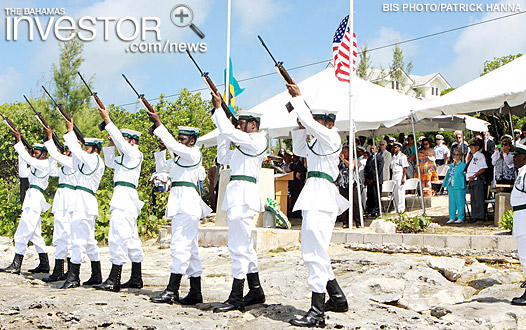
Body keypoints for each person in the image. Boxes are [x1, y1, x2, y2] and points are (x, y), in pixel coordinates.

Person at [287, 82, 349, 327]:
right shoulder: (317, 142)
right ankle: (337, 297)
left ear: (329, 123)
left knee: (314, 252)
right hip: (314, 193)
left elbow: (313, 125)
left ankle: (317, 312)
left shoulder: (331, 137)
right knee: (315, 249)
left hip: (322, 195)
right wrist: (300, 123)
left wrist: (299, 100)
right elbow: (298, 147)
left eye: (319, 121)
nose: (316, 124)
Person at [211, 91, 267, 313]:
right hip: (236, 194)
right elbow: (223, 157)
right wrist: (225, 131)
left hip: (244, 196)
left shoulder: (258, 140)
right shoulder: (243, 145)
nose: (238, 126)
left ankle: (236, 296)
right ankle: (255, 290)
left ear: (253, 125)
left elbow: (229, 131)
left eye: (242, 123)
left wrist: (219, 110)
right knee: (245, 246)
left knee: (238, 246)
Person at [148, 109, 212, 305]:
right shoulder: (180, 158)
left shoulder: (193, 154)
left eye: (183, 139)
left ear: (192, 141)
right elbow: (163, 168)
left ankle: (172, 290)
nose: (180, 142)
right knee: (190, 249)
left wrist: (159, 124)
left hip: (187, 204)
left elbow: (175, 146)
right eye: (179, 139)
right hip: (181, 203)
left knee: (179, 245)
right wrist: (162, 147)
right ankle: (195, 291)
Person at [94, 108, 145, 293]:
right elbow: (109, 162)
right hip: (124, 197)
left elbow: (123, 146)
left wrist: (107, 120)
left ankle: (113, 279)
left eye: (124, 139)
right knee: (131, 238)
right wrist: (110, 143)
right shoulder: (125, 156)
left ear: (132, 141)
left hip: (125, 197)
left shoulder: (133, 153)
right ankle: (136, 278)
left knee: (117, 236)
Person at [61, 120, 105, 289]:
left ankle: (73, 277)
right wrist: (75, 142)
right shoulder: (89, 160)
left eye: (87, 147)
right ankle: (96, 274)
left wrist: (71, 133)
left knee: (78, 240)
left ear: (95, 149)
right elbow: (76, 160)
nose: (85, 150)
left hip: (84, 203)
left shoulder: (94, 159)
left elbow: (78, 155)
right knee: (89, 240)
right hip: (83, 202)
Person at [0, 136, 53, 275]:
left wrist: (18, 142)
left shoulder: (45, 164)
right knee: (35, 235)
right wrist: (21, 153)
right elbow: (23, 172)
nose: (33, 155)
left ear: (43, 154)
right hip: (31, 198)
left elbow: (30, 161)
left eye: (36, 153)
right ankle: (44, 264)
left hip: (35, 199)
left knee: (21, 233)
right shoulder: (35, 167)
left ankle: (16, 265)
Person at [42, 128, 76, 282]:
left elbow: (56, 156)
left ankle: (67, 270)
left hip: (68, 201)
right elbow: (51, 170)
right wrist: (54, 151)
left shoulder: (74, 162)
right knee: (60, 235)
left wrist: (49, 139)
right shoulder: (65, 166)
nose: (66, 152)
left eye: (68, 150)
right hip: (61, 200)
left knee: (66, 235)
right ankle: (60, 270)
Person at [510, 143, 526, 305]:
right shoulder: (522, 172)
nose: (513, 158)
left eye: (517, 156)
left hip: (525, 217)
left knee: (525, 256)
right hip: (520, 216)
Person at [466, 139, 487, 223]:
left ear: (477, 147)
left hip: (477, 179)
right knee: (473, 199)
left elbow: (483, 168)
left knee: (478, 198)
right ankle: (474, 215)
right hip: (471, 180)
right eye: (470, 147)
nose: (470, 148)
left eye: (472, 146)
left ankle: (480, 216)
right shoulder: (472, 157)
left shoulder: (480, 156)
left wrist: (475, 175)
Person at [444, 150, 467, 224]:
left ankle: (460, 217)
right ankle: (452, 217)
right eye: (454, 154)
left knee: (460, 201)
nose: (456, 156)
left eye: (458, 154)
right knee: (452, 202)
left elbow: (465, 175)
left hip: (460, 185)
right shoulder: (451, 165)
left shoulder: (463, 165)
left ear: (461, 156)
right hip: (451, 184)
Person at [365, 146, 384, 217]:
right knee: (370, 196)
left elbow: (379, 170)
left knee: (376, 195)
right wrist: (367, 178)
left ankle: (377, 210)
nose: (372, 150)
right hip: (369, 181)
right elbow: (367, 169)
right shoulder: (369, 158)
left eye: (373, 148)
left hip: (376, 181)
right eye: (371, 149)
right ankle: (370, 210)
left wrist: (373, 178)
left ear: (377, 149)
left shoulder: (380, 158)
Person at [391, 142, 409, 213]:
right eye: (393, 147)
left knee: (400, 192)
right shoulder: (393, 156)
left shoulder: (402, 156)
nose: (394, 149)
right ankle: (396, 208)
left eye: (395, 147)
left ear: (399, 148)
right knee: (395, 192)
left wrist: (403, 177)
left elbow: (405, 168)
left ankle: (401, 208)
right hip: (394, 174)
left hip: (400, 174)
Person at [336, 146, 350, 228]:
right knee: (343, 202)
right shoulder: (339, 162)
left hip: (351, 183)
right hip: (341, 184)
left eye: (345, 152)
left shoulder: (352, 159)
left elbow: (351, 166)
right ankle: (345, 221)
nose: (343, 154)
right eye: (342, 152)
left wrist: (343, 160)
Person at [289, 154, 307, 219]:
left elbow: (298, 176)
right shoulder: (293, 165)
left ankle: (298, 213)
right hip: (295, 185)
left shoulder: (301, 165)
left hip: (300, 185)